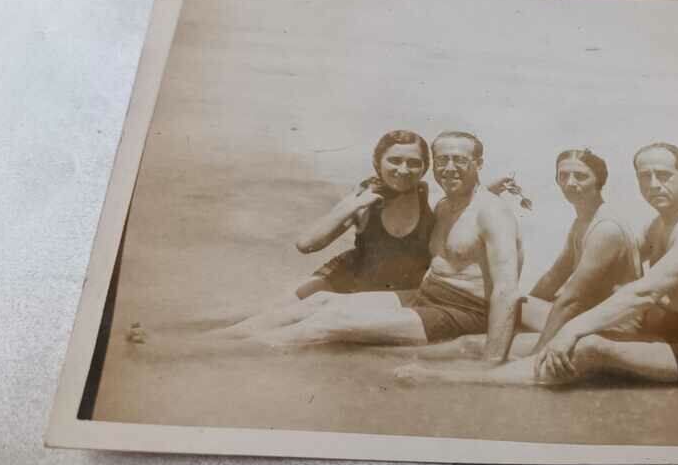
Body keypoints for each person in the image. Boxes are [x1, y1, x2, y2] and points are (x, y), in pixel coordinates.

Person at [396, 142, 678, 386]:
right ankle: (405, 355)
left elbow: (642, 291)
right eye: (644, 176)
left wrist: (570, 330)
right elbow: (595, 274)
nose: (653, 184)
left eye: (663, 175)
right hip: (665, 329)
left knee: (587, 348)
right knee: (508, 325)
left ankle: (455, 381)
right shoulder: (661, 222)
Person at [130, 130, 524, 353]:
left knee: (328, 322)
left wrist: (493, 360)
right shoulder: (447, 206)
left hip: (458, 312)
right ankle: (205, 339)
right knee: (319, 302)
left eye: (460, 160)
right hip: (417, 294)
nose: (449, 167)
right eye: (444, 161)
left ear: (478, 163)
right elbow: (464, 227)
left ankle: (187, 353)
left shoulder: (488, 211)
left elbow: (505, 286)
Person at [400, 148, 642, 361]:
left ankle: (387, 357)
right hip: (587, 316)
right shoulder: (585, 220)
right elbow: (553, 277)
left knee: (471, 345)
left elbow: (572, 299)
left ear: (599, 180)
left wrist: (538, 350)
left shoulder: (606, 228)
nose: (570, 183)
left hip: (611, 327)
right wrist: (517, 321)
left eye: (580, 176)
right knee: (505, 311)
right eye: (563, 176)